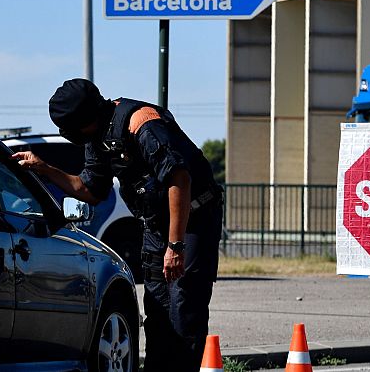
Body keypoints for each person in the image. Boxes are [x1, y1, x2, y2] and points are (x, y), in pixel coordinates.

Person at [12, 78, 223, 371]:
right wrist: (44, 168)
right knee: (158, 308)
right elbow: (89, 190)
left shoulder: (142, 124)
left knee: (185, 306)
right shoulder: (97, 138)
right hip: (156, 224)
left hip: (193, 219)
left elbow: (180, 179)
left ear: (85, 118)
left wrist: (175, 246)